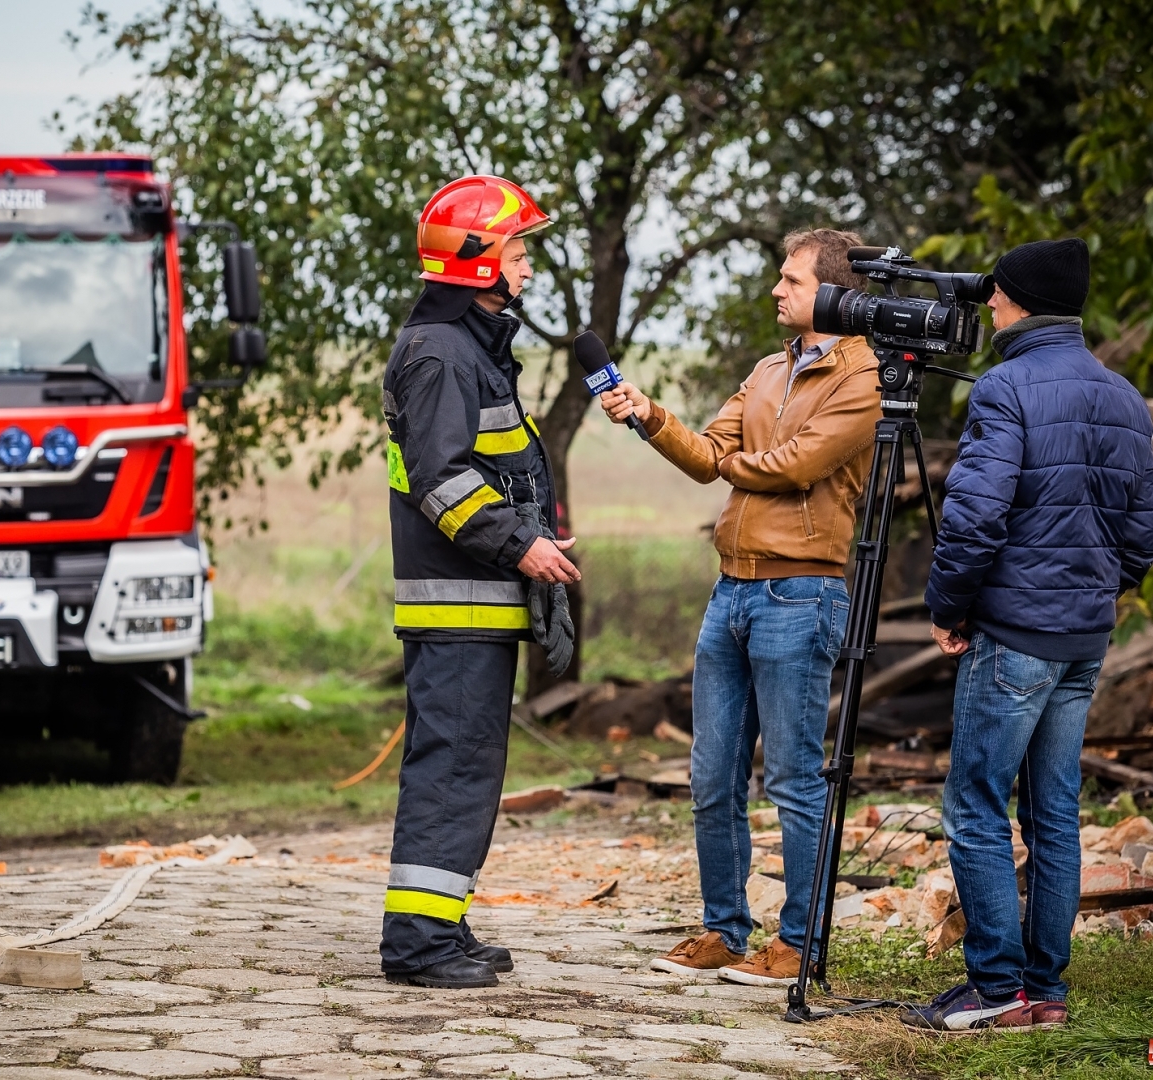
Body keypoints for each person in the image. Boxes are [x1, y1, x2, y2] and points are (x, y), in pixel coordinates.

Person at [599, 228, 882, 986]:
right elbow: (705, 458)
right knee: (712, 776)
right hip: (730, 591)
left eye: (789, 280)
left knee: (793, 778)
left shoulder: (864, 379)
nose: (776, 291)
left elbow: (795, 469)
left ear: (829, 292)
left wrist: (728, 461)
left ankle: (798, 944)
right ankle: (725, 931)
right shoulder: (765, 371)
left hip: (802, 595)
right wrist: (650, 415)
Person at [904, 238, 1153, 1033]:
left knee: (977, 808)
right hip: (1082, 641)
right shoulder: (1122, 395)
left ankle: (995, 992)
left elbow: (975, 518)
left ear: (1018, 301)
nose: (988, 303)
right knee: (1052, 813)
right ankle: (1044, 992)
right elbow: (1144, 540)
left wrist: (949, 608)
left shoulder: (1003, 387)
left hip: (1016, 636)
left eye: (997, 292)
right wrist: (1092, 593)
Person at [378, 175, 579, 989]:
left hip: (477, 600)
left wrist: (536, 529)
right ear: (480, 262)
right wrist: (520, 546)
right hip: (457, 604)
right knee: (452, 769)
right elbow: (442, 482)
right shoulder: (443, 356)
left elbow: (493, 469)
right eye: (517, 251)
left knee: (468, 772)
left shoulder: (468, 347)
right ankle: (417, 946)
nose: (526, 266)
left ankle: (442, 924)